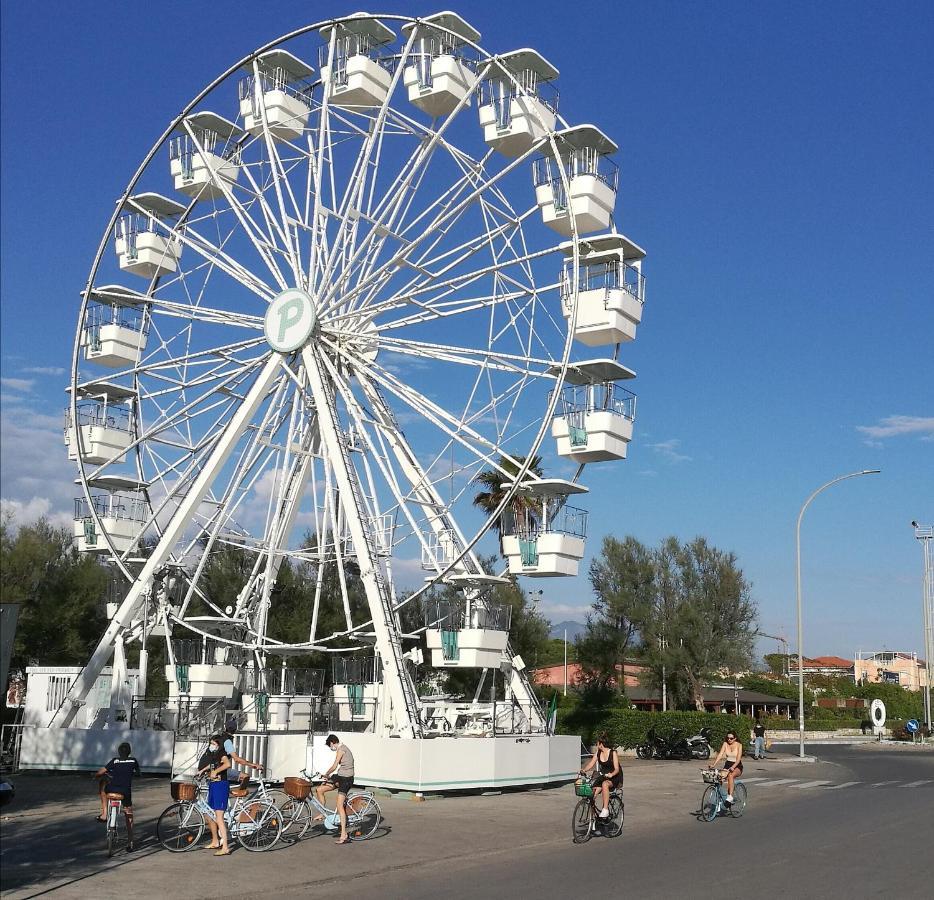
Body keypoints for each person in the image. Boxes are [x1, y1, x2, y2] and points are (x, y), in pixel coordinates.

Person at [94, 742, 140, 851]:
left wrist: (96, 775)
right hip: (125, 792)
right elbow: (138, 773)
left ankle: (104, 814)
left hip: (112, 789)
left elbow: (103, 771)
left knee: (103, 787)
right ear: (129, 752)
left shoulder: (115, 760)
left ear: (119, 752)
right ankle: (130, 842)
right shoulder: (133, 760)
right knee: (128, 814)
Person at [314, 734, 354, 844]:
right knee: (320, 790)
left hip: (346, 779)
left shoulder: (341, 749)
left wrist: (327, 773)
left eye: (330, 746)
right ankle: (322, 812)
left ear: (332, 743)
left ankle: (343, 835)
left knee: (339, 805)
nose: (331, 748)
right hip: (340, 777)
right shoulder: (341, 748)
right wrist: (327, 777)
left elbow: (335, 765)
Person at [198, 734, 232, 856]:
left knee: (219, 817)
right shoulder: (214, 754)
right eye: (210, 743)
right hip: (213, 785)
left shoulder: (222, 753)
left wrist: (216, 772)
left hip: (220, 785)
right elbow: (212, 765)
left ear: (218, 744)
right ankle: (215, 841)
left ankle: (225, 847)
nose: (211, 746)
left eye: (213, 743)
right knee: (210, 814)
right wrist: (202, 771)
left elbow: (227, 764)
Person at [579, 732, 621, 820]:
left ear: (601, 744)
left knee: (605, 784)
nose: (596, 745)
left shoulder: (613, 753)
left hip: (614, 776)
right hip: (603, 775)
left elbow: (617, 769)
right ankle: (593, 819)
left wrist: (611, 774)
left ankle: (605, 810)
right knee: (592, 794)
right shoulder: (598, 753)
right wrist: (584, 770)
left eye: (597, 743)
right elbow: (591, 763)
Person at [222, 718, 264, 788]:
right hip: (220, 769)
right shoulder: (227, 742)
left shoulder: (220, 738)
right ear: (235, 730)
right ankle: (239, 796)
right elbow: (236, 759)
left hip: (213, 767)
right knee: (245, 777)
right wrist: (253, 765)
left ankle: (237, 795)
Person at [711, 730, 744, 804]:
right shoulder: (725, 744)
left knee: (730, 775)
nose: (729, 739)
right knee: (719, 778)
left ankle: (730, 797)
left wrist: (733, 767)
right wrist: (714, 764)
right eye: (728, 738)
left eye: (731, 738)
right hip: (727, 764)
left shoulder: (739, 745)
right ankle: (720, 798)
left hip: (737, 765)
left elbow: (738, 759)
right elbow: (720, 755)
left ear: (735, 738)